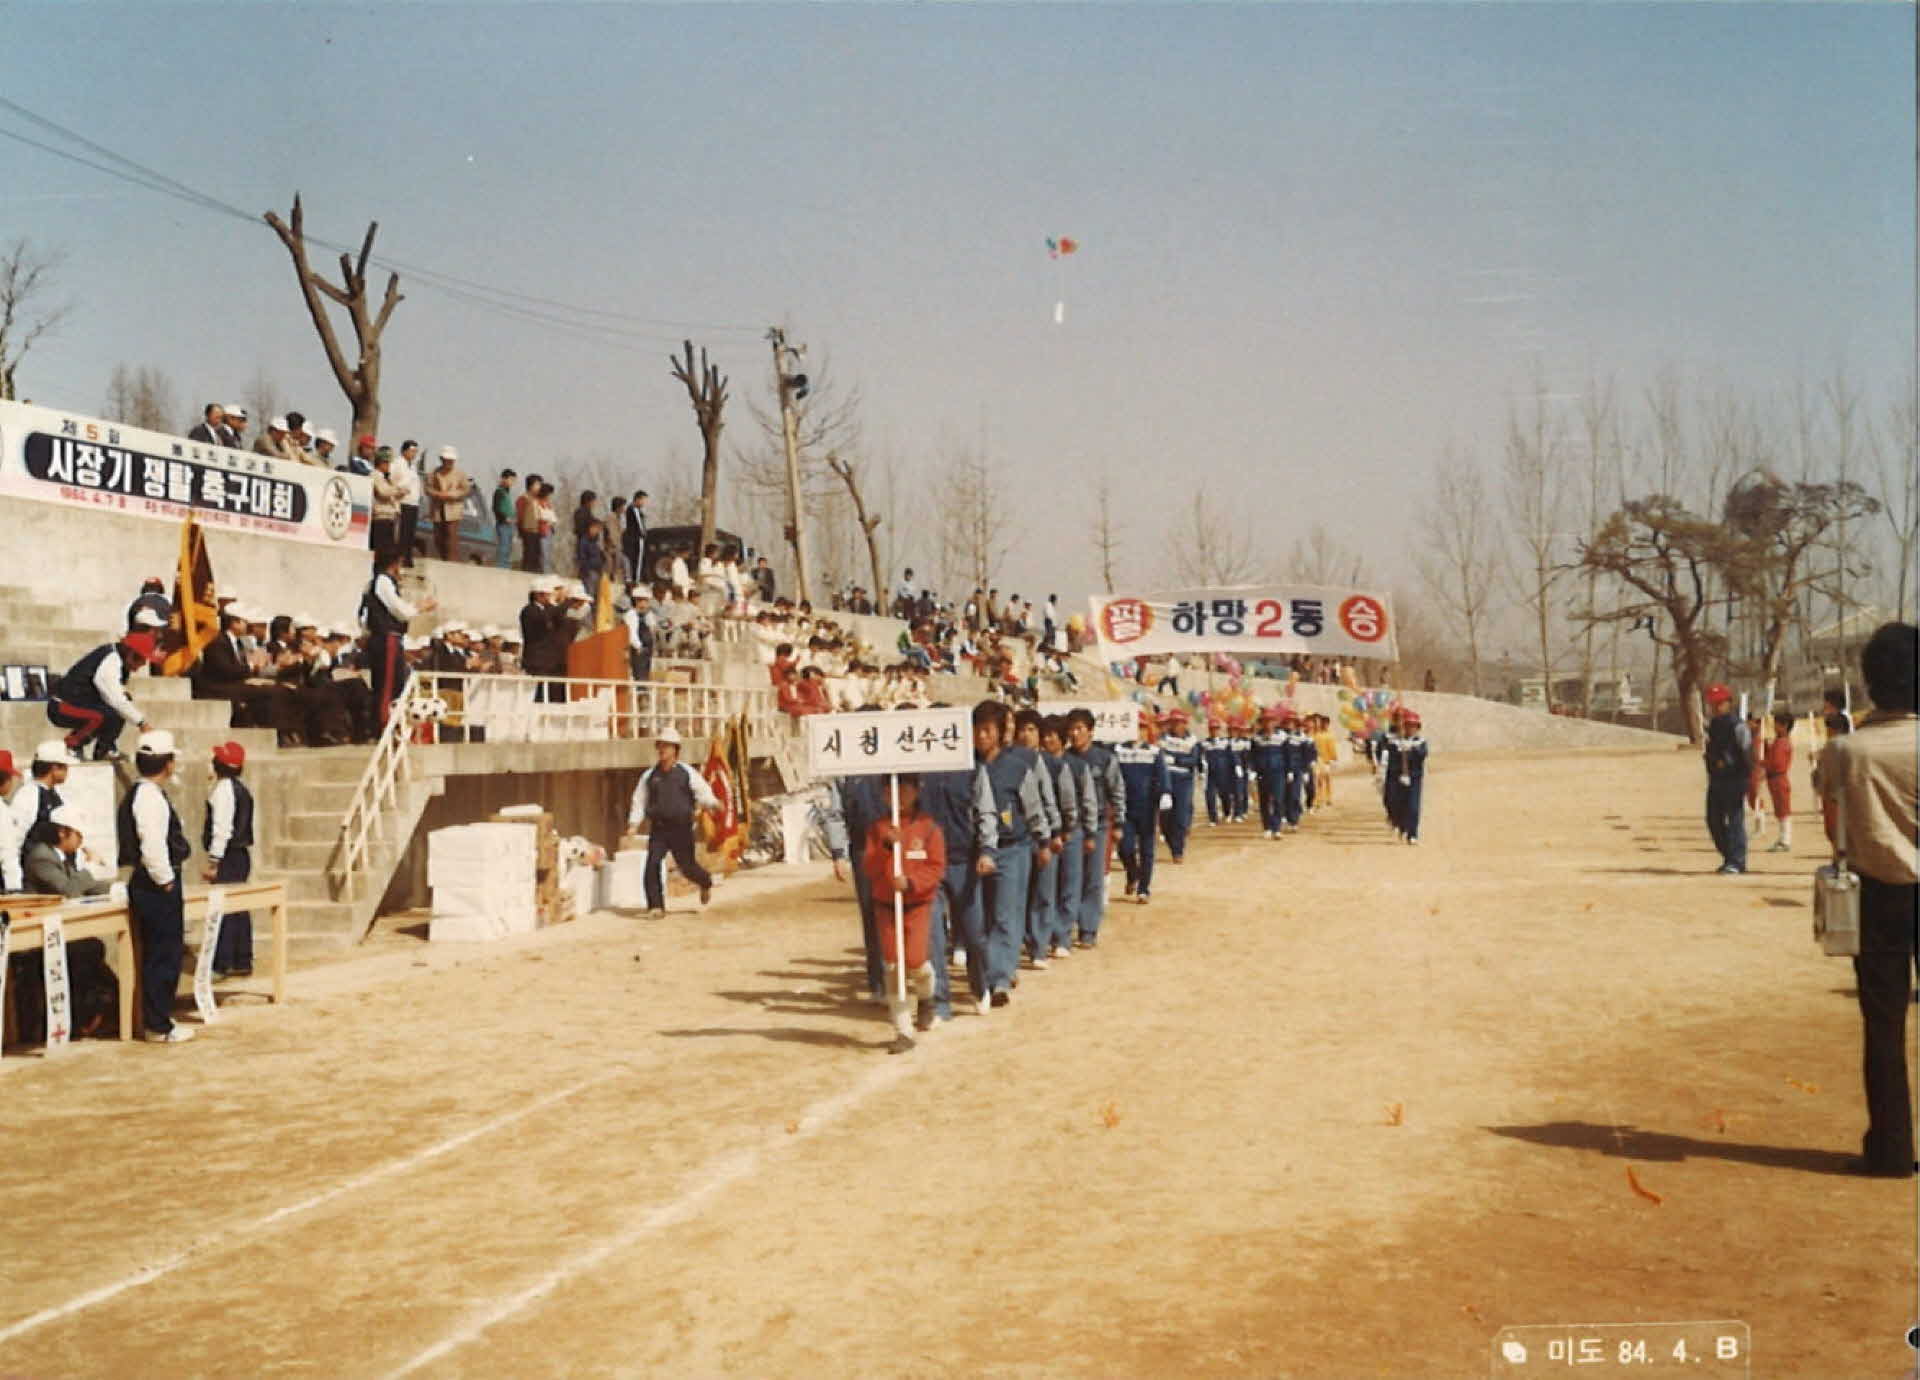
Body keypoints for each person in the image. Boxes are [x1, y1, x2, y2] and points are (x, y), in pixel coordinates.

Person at [1814, 621, 1918, 1179]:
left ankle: (1892, 1149)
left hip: (1876, 896)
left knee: (1883, 1026)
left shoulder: (1843, 752)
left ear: (1871, 682)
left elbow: (1835, 828)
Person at [118, 729, 195, 1043]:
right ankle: (158, 1024)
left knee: (160, 953)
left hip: (150, 881)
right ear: (168, 763)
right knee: (163, 954)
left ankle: (158, 1018)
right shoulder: (149, 797)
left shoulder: (143, 793)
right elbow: (152, 845)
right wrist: (165, 881)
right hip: (155, 883)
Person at [862, 773, 947, 1053]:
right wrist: (886, 849)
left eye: (903, 789)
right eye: (889, 790)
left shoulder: (928, 828)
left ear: (915, 790)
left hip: (917, 905)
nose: (897, 795)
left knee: (915, 961)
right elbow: (870, 868)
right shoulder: (878, 829)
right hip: (886, 906)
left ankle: (927, 998)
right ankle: (903, 1029)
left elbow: (935, 867)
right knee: (893, 966)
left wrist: (911, 883)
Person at [23, 804, 119, 1038]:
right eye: (78, 835)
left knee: (92, 947)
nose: (81, 841)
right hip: (40, 932)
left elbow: (84, 885)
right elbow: (69, 889)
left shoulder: (60, 856)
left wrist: (116, 887)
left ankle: (101, 1011)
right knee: (86, 950)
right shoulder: (41, 858)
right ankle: (83, 1017)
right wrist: (91, 866)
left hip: (62, 927)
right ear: (62, 833)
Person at [626, 727, 719, 917]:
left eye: (667, 746)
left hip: (681, 829)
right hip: (659, 829)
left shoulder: (686, 773)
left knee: (688, 867)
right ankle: (656, 906)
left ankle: (705, 882)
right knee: (652, 864)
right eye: (660, 746)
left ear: (676, 750)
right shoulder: (650, 776)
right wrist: (634, 823)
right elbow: (639, 799)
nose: (662, 750)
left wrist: (714, 803)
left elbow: (702, 791)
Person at [48, 630, 160, 760]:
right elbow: (115, 699)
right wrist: (142, 723)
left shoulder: (120, 663)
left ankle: (105, 748)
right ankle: (73, 745)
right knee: (104, 714)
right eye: (139, 658)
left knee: (120, 706)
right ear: (128, 652)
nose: (142, 663)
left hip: (81, 703)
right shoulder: (111, 660)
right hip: (62, 706)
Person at [1065, 707, 1123, 948]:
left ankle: (1088, 929)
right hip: (1070, 826)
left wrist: (1118, 822)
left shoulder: (1104, 759)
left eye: (1080, 729)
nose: (1075, 734)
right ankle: (1066, 928)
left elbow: (1116, 791)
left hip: (1099, 825)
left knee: (1094, 878)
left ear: (1090, 731)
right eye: (1072, 729)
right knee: (1070, 878)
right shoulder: (1064, 759)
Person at [359, 548, 433, 730]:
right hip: (387, 638)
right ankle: (384, 725)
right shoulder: (383, 582)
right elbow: (400, 611)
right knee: (388, 685)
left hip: (384, 638)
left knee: (391, 682)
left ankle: (385, 723)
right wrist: (420, 607)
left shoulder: (375, 584)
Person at [201, 741, 255, 977]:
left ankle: (223, 961)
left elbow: (222, 829)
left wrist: (214, 861)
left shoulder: (223, 790)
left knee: (223, 907)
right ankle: (242, 958)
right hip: (239, 854)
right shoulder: (239, 788)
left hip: (229, 855)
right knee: (238, 906)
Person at [1036, 713, 1088, 964]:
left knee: (1069, 885)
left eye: (1051, 736)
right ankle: (1044, 936)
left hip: (1070, 832)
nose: (1047, 740)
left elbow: (1080, 801)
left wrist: (1075, 830)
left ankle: (1063, 936)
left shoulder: (1075, 765)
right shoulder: (1037, 763)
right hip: (1047, 833)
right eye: (1044, 735)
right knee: (1047, 888)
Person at [1114, 709, 1172, 903]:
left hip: (1147, 806)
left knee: (1147, 849)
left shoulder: (1154, 752)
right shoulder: (1119, 751)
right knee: (1125, 847)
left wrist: (1165, 792)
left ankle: (1144, 888)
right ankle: (1132, 873)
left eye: (1141, 728)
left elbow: (1162, 774)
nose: (1137, 731)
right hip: (1125, 806)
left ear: (1147, 730)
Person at [1701, 683, 1751, 875]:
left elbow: (1746, 754)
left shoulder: (1738, 726)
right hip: (1716, 780)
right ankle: (1729, 855)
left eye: (1719, 703)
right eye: (1713, 704)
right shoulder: (1713, 725)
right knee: (1713, 819)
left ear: (1728, 703)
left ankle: (1737, 861)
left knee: (1735, 820)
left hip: (1735, 780)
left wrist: (1745, 778)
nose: (1716, 707)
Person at [9, 739, 75, 868]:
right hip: (37, 869)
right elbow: (16, 837)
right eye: (65, 767)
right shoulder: (29, 794)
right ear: (54, 768)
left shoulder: (52, 793)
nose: (68, 771)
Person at [1157, 707, 1201, 862]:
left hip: (1184, 781)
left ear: (1185, 724)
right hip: (1166, 780)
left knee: (1181, 816)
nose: (1176, 726)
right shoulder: (1162, 739)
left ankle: (1178, 850)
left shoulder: (1192, 741)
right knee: (1166, 817)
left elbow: (1194, 760)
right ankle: (1171, 842)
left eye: (1179, 723)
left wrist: (1176, 760)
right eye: (1173, 723)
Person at [424, 446, 473, 562]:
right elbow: (427, 489)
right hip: (438, 509)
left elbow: (466, 489)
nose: (449, 463)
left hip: (453, 509)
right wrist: (437, 494)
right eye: (447, 460)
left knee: (451, 536)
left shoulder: (460, 474)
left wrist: (452, 494)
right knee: (438, 536)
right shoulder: (434, 473)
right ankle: (443, 558)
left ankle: (451, 561)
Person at [1764, 708, 1795, 852]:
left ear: (1784, 725)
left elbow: (1777, 764)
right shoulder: (1778, 741)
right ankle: (1783, 838)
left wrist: (1764, 762)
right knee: (1779, 810)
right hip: (1774, 780)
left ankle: (1785, 840)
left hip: (1779, 779)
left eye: (1776, 724)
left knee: (1783, 811)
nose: (1774, 727)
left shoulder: (1782, 743)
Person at [393, 440, 424, 564]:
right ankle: (399, 557)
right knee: (402, 532)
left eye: (415, 452)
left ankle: (407, 557)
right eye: (412, 451)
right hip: (402, 501)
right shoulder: (397, 463)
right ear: (404, 450)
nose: (414, 454)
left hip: (413, 503)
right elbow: (394, 481)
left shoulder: (412, 466)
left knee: (410, 533)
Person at [368, 446, 402, 554]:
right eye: (387, 463)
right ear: (381, 463)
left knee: (388, 550)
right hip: (380, 517)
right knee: (380, 550)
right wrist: (397, 491)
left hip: (390, 517)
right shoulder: (374, 475)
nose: (389, 466)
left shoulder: (386, 478)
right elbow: (383, 492)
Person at [517, 473, 546, 574]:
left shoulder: (538, 500)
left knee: (537, 556)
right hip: (528, 530)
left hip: (537, 531)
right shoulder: (523, 499)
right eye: (538, 485)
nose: (539, 487)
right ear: (531, 485)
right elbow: (520, 516)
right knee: (529, 555)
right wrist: (521, 530)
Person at [491, 469, 519, 569]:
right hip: (503, 524)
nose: (512, 483)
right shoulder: (499, 492)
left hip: (510, 525)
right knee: (503, 547)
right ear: (504, 479)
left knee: (508, 548)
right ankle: (501, 567)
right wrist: (504, 518)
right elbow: (496, 508)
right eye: (511, 480)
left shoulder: (506, 493)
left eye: (514, 480)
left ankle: (506, 567)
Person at [622, 490, 648, 585]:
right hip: (636, 538)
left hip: (634, 538)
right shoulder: (634, 509)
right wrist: (643, 533)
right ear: (638, 499)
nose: (644, 503)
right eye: (643, 500)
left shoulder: (636, 510)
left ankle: (636, 578)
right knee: (637, 560)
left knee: (636, 560)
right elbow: (639, 525)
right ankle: (636, 580)